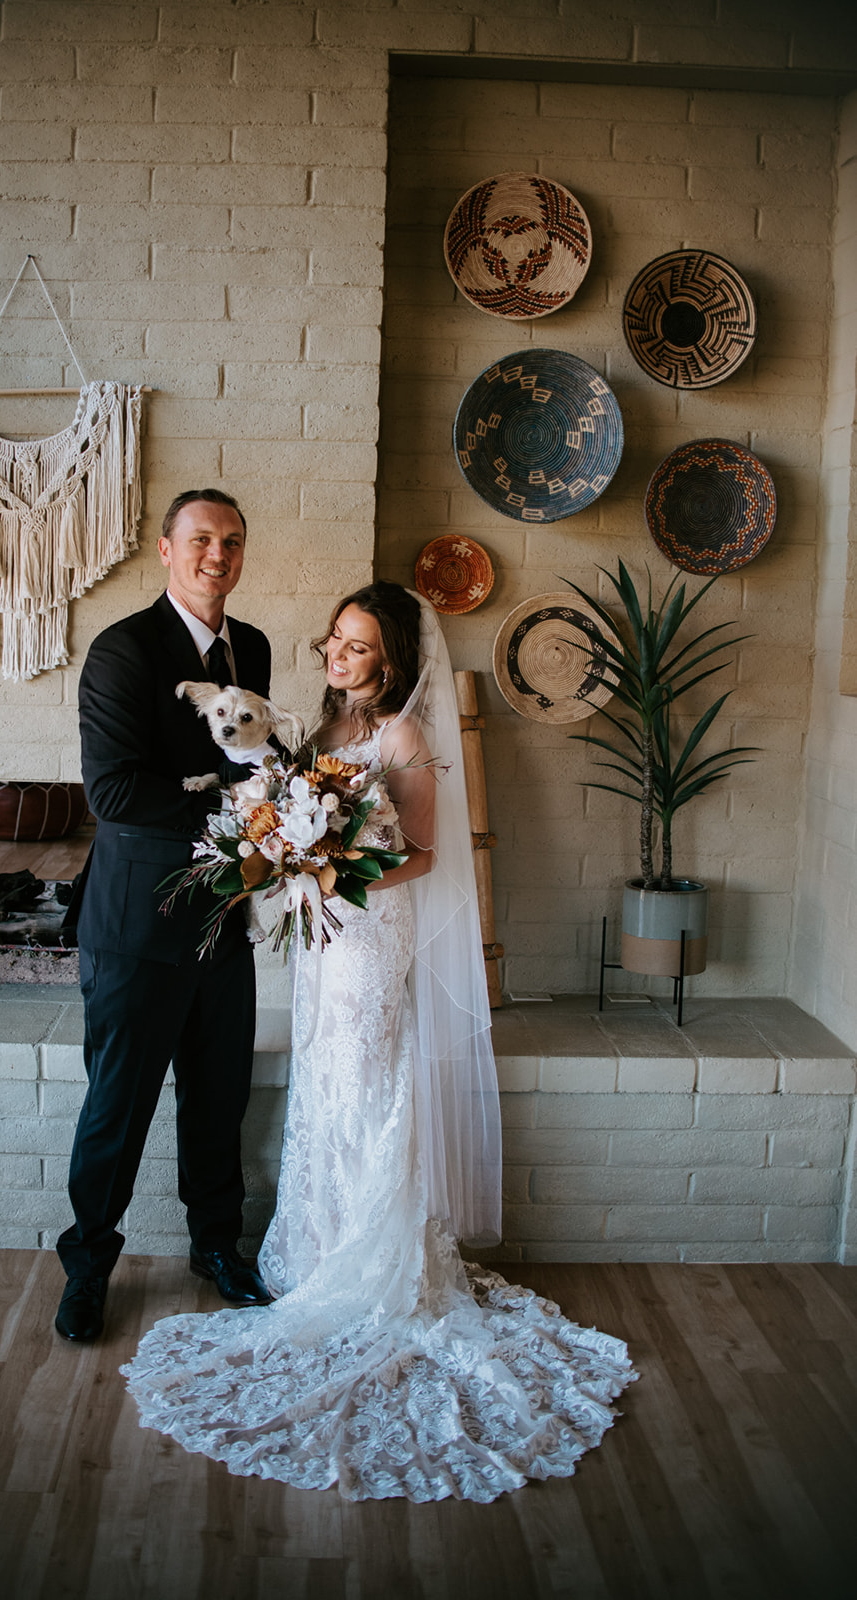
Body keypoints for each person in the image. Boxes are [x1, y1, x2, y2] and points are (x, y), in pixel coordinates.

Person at [122, 582, 636, 1501]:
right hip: (324, 938)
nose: (336, 656)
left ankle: (373, 1261)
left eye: (356, 647)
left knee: (365, 1080)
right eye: (333, 641)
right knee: (328, 1082)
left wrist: (330, 864)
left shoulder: (402, 737)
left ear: (390, 660)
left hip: (367, 934)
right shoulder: (319, 735)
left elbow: (426, 855)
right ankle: (320, 1253)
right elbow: (293, 813)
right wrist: (289, 855)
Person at [54, 489, 273, 1343]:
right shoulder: (122, 649)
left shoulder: (249, 645)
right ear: (166, 549)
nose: (217, 555)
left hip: (223, 917)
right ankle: (86, 1270)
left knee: (218, 1102)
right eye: (202, 540)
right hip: (137, 924)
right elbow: (112, 793)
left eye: (233, 541)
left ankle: (216, 1248)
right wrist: (240, 813)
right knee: (118, 1105)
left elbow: (253, 752)